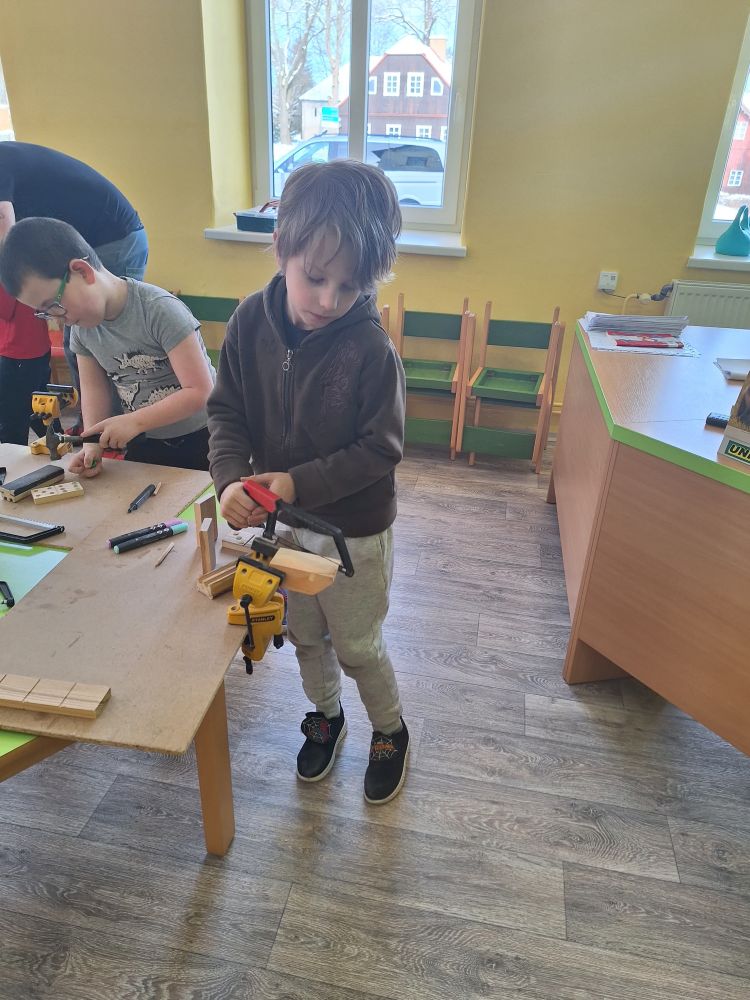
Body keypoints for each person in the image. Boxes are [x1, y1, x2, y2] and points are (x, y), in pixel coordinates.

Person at [207, 160, 409, 804]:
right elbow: (226, 413)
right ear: (280, 247)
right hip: (285, 529)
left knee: (357, 646)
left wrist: (297, 482)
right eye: (315, 278)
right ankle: (326, 716)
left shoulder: (371, 349)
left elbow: (381, 448)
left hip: (354, 535)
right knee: (304, 637)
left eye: (349, 286)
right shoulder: (248, 322)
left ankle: (390, 729)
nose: (328, 300)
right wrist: (229, 481)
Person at [0, 217, 215, 472]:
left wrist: (134, 421)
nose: (57, 320)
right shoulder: (81, 329)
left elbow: (200, 392)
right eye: (45, 313)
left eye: (54, 305)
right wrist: (92, 443)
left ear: (82, 271)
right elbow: (94, 391)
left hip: (205, 438)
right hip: (146, 440)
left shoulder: (159, 310)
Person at [0, 141, 149, 389]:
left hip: (112, 240)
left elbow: (6, 233)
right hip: (89, 243)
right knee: (79, 346)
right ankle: (95, 412)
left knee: (105, 347)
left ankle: (120, 410)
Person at [0, 283, 52, 445]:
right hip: (34, 344)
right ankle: (58, 445)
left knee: (13, 423)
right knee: (41, 407)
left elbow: (4, 309)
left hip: (17, 347)